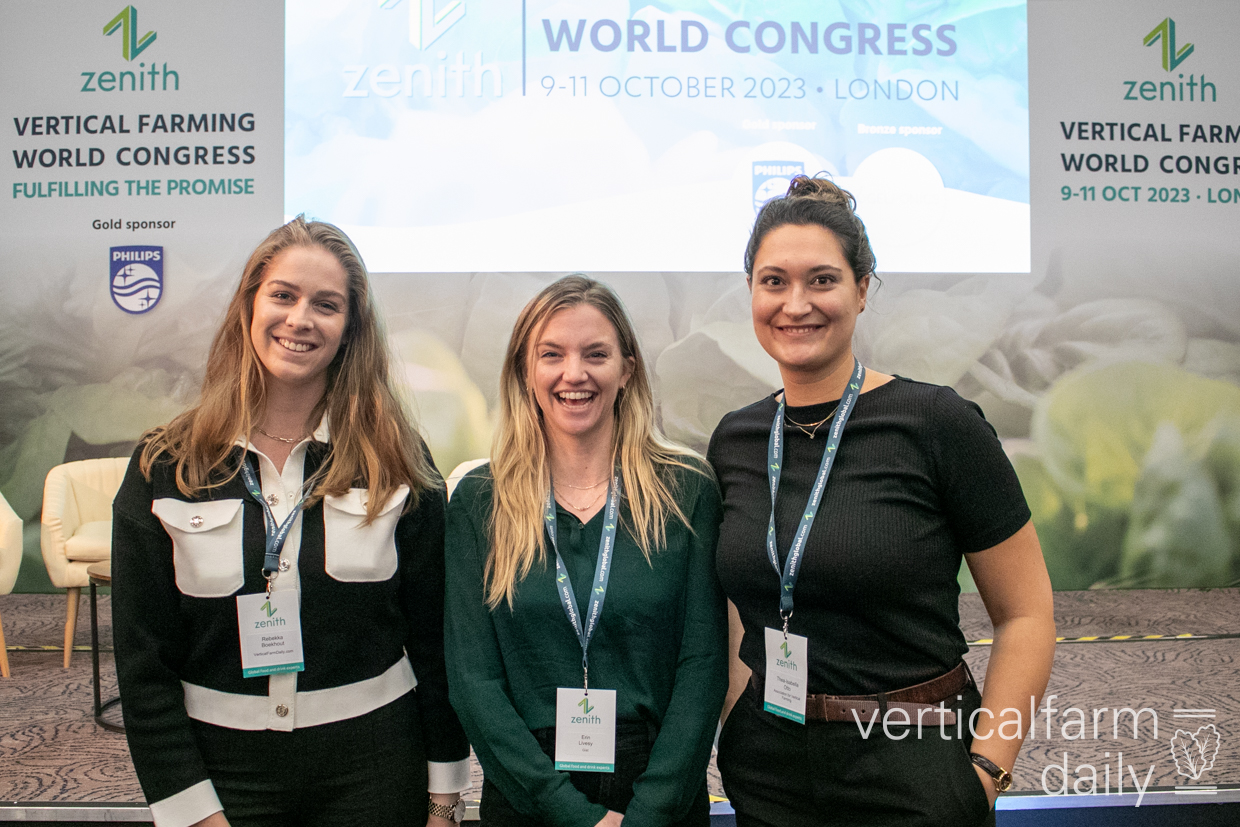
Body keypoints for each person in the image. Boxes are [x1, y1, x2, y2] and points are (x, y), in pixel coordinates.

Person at [708, 176, 1056, 826]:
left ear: (862, 289)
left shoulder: (937, 423)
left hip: (912, 762)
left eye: (822, 280)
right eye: (774, 281)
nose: (796, 303)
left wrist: (987, 771)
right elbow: (737, 608)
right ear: (751, 290)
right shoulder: (737, 438)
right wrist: (738, 723)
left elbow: (1027, 616)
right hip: (771, 769)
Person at [111, 217, 470, 827]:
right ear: (249, 306)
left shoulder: (396, 459)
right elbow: (143, 665)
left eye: (326, 305)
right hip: (222, 777)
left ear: (350, 329)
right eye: (283, 295)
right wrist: (189, 810)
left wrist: (444, 796)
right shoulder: (166, 464)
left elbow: (437, 644)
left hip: (376, 769)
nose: (300, 319)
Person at [445, 276, 726, 827]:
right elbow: (473, 682)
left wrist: (651, 812)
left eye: (596, 354)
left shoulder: (686, 490)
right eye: (551, 354)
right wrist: (571, 815)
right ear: (525, 371)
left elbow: (703, 666)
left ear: (627, 370)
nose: (574, 374)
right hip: (528, 794)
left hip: (659, 792)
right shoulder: (479, 500)